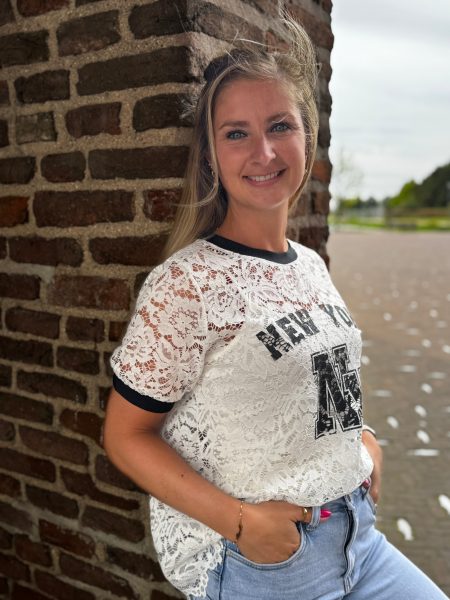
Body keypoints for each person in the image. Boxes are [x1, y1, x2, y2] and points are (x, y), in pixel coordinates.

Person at [103, 15, 449, 600]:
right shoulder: (187, 284)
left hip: (359, 540)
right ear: (212, 155)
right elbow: (126, 435)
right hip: (271, 563)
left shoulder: (308, 264)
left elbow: (310, 377)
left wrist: (360, 439)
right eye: (236, 133)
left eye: (279, 126)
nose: (262, 151)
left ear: (306, 138)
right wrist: (242, 524)